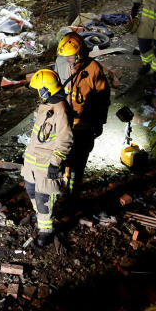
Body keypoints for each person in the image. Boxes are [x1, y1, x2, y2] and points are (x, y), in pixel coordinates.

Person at [21, 69, 73, 247]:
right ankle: (40, 216)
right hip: (32, 163)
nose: (38, 94)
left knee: (44, 199)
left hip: (45, 165)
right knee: (32, 192)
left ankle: (46, 230)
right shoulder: (47, 105)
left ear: (46, 90)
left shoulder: (61, 111)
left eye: (39, 90)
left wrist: (55, 163)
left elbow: (65, 140)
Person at [54, 32, 110, 195]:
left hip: (85, 123)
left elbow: (102, 98)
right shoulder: (60, 62)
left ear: (80, 54)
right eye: (65, 57)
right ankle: (62, 185)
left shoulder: (93, 68)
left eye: (71, 57)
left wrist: (100, 123)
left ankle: (75, 190)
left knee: (79, 160)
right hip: (65, 122)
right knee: (61, 156)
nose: (68, 60)